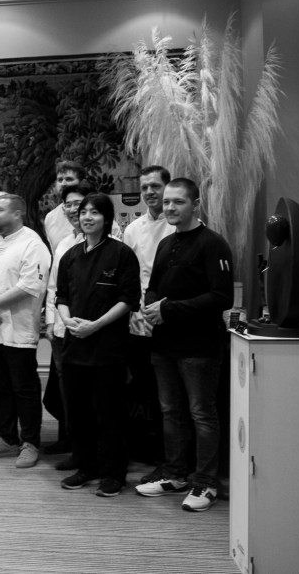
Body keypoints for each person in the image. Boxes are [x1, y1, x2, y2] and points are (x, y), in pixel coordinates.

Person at [135, 178, 233, 512]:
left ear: (195, 204)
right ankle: (175, 474)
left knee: (202, 414)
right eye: (166, 202)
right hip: (165, 344)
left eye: (178, 202)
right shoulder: (166, 243)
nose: (170, 208)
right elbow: (154, 286)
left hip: (200, 346)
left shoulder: (213, 244)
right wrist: (150, 306)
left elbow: (221, 296)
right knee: (170, 411)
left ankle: (206, 483)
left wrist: (168, 309)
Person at [55, 193, 141, 497]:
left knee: (110, 412)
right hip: (75, 344)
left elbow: (129, 299)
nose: (87, 217)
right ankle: (86, 466)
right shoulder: (70, 256)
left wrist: (95, 325)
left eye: (95, 212)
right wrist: (68, 321)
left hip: (108, 346)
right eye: (83, 212)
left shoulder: (121, 254)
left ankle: (114, 473)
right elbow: (61, 296)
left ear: (107, 219)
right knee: (78, 413)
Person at [0, 193, 51, 467]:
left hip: (17, 328)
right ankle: (7, 438)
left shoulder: (32, 243)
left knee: (24, 387)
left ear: (18, 213)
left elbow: (31, 285)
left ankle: (30, 442)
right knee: (0, 386)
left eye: (0, 209)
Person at [120, 166, 175, 462]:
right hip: (139, 319)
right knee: (143, 387)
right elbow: (128, 276)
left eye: (155, 186)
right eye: (144, 188)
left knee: (170, 392)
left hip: (171, 317)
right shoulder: (133, 229)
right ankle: (147, 447)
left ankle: (171, 453)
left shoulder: (179, 225)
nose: (150, 192)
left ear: (168, 187)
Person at [42, 183, 93, 469]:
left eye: (80, 205)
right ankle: (73, 442)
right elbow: (54, 287)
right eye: (69, 205)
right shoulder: (63, 243)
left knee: (90, 393)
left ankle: (90, 450)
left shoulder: (109, 242)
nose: (75, 210)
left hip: (90, 330)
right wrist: (51, 323)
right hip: (62, 331)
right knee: (68, 391)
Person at [44, 162, 121, 251]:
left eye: (69, 179)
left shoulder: (100, 217)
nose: (63, 183)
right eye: (60, 180)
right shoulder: (50, 218)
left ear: (82, 182)